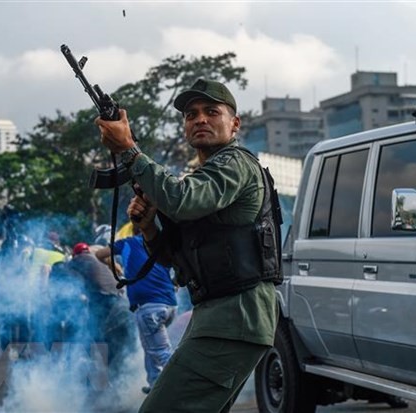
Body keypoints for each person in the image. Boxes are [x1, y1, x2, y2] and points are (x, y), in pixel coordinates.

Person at [95, 79, 282, 412]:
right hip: (223, 318)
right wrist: (149, 226)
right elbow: (172, 259)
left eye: (212, 112)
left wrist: (128, 150)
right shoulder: (206, 178)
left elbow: (180, 200)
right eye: (191, 114)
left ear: (234, 123)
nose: (200, 119)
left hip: (232, 320)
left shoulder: (233, 164)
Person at [94, 227, 177, 395]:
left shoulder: (128, 243)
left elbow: (99, 254)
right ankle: (155, 383)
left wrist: (114, 265)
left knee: (160, 351)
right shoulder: (162, 244)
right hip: (170, 306)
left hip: (150, 308)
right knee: (150, 346)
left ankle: (184, 388)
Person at [65, 242, 135, 379]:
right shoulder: (102, 262)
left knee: (95, 340)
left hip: (110, 306)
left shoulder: (77, 261)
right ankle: (122, 387)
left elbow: (65, 276)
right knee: (123, 351)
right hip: (125, 305)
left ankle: (98, 385)